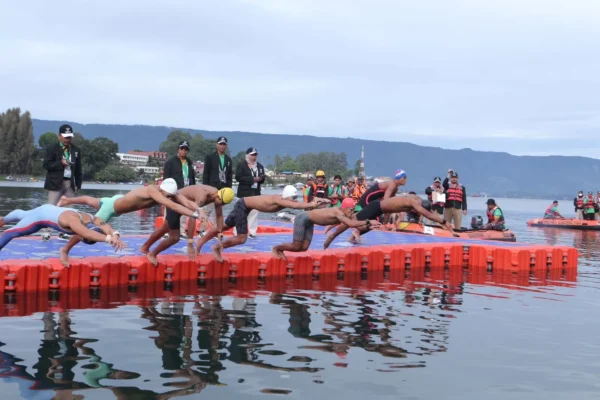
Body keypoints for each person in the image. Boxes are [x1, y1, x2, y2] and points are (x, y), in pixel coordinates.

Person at [56, 179, 206, 257]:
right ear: (161, 189)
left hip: (118, 200)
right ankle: (65, 249)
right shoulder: (153, 191)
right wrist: (194, 215)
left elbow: (185, 201)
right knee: (88, 229)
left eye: (171, 195)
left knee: (92, 201)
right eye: (167, 195)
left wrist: (199, 210)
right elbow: (172, 206)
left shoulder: (169, 191)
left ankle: (67, 200)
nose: (169, 197)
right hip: (112, 208)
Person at [195, 185, 331, 262]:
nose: (295, 200)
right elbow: (295, 206)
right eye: (293, 198)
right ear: (286, 195)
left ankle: (200, 243)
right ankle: (217, 248)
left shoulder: (286, 199)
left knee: (223, 227)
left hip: (244, 204)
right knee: (241, 238)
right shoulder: (279, 199)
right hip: (242, 205)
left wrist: (318, 202)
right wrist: (311, 203)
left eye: (296, 198)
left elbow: (299, 204)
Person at [0, 204, 125, 267]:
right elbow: (86, 233)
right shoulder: (74, 221)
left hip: (48, 208)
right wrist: (109, 239)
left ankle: (3, 219)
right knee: (10, 233)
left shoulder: (90, 218)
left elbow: (103, 225)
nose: (80, 238)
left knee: (23, 213)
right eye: (81, 238)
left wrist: (115, 234)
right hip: (38, 219)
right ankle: (4, 221)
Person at [139, 185, 235, 266]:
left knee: (164, 228)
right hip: (175, 204)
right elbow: (192, 217)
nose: (221, 205)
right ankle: (152, 254)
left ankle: (144, 247)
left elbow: (219, 215)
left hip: (184, 206)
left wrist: (219, 233)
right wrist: (190, 244)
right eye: (222, 203)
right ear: (219, 197)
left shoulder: (216, 195)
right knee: (174, 238)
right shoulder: (202, 197)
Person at [324, 194, 453, 249]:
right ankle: (333, 232)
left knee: (371, 224)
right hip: (376, 206)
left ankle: (352, 237)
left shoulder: (416, 198)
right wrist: (444, 222)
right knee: (352, 221)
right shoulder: (416, 202)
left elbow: (429, 212)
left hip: (379, 209)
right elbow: (428, 214)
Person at [272, 197, 380, 260]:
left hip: (310, 222)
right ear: (345, 208)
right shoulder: (337, 212)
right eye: (351, 209)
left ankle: (281, 249)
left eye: (353, 210)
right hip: (302, 218)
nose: (352, 212)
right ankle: (276, 248)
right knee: (296, 245)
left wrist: (369, 226)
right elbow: (351, 224)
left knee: (304, 247)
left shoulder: (344, 214)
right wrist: (368, 221)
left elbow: (354, 222)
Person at [42, 124, 83, 241]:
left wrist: (78, 183)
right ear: (59, 136)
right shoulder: (52, 148)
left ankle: (64, 232)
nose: (68, 139)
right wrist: (61, 163)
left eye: (70, 137)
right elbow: (46, 165)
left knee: (68, 210)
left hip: (70, 183)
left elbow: (79, 168)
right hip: (55, 183)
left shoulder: (75, 150)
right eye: (65, 137)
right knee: (50, 208)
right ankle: (46, 232)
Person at [163, 140, 196, 237]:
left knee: (183, 211)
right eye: (182, 148)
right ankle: (166, 230)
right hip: (173, 190)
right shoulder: (170, 162)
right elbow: (166, 178)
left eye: (186, 149)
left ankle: (181, 231)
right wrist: (166, 191)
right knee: (169, 210)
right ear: (178, 149)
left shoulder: (189, 162)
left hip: (186, 190)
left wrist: (193, 189)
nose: (184, 151)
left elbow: (192, 177)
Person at [201, 136, 233, 234]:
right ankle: (202, 230)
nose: (222, 146)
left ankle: (217, 230)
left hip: (222, 189)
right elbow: (206, 173)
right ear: (217, 144)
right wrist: (205, 189)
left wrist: (229, 189)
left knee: (219, 211)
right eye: (220, 144)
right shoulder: (210, 157)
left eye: (224, 144)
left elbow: (230, 175)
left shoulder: (228, 159)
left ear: (226, 146)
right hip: (211, 188)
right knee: (207, 210)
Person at [234, 147, 266, 238]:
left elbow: (262, 180)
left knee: (254, 213)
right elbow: (238, 177)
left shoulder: (260, 166)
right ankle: (237, 232)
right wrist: (252, 179)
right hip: (244, 193)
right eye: (252, 155)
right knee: (240, 213)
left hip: (255, 193)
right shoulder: (242, 165)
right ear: (247, 155)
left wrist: (261, 178)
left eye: (255, 155)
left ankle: (252, 232)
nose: (254, 157)